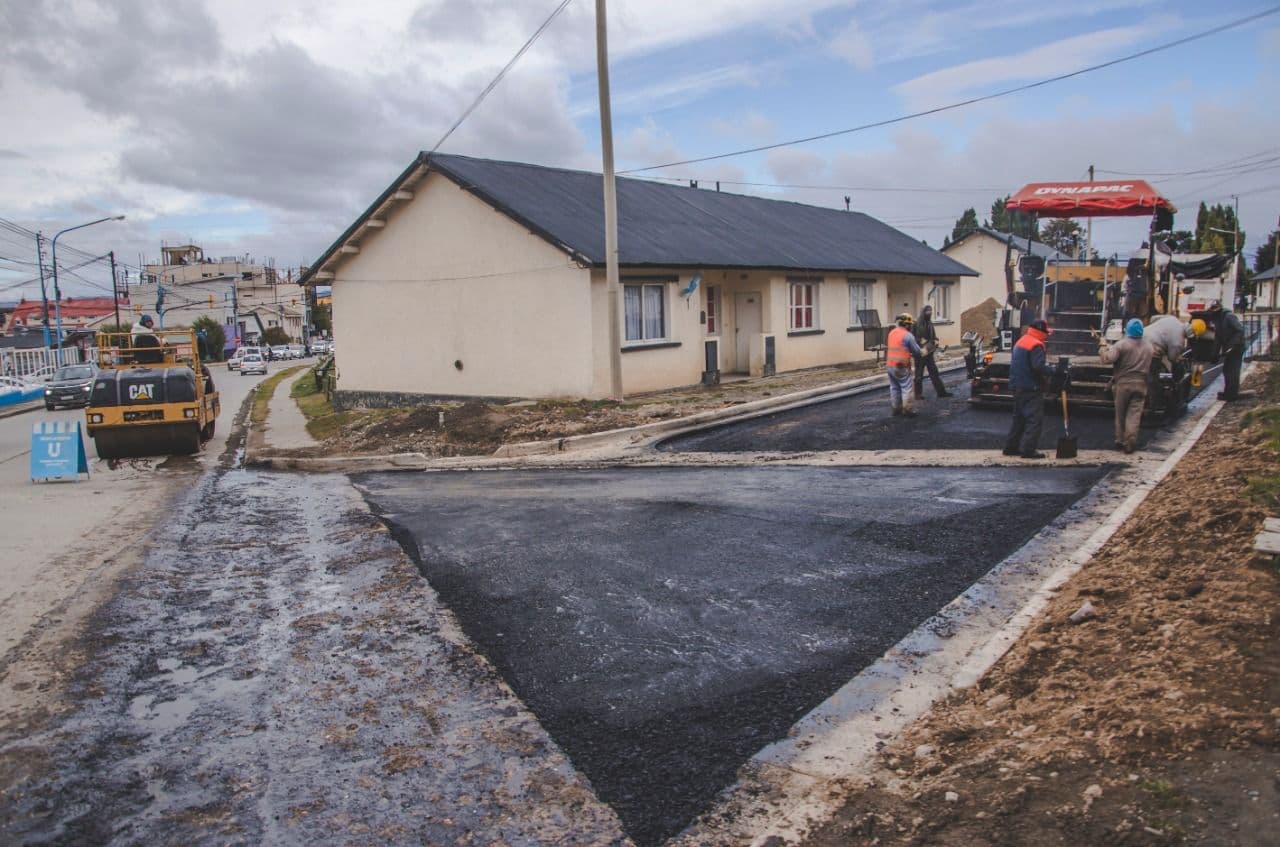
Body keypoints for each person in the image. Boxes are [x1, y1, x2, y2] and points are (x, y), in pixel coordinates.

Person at [1098, 318, 1155, 453]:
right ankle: (1130, 441)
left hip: (1123, 384)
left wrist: (1103, 347)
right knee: (1134, 415)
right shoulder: (1149, 347)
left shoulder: (1122, 344)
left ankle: (1119, 440)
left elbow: (1107, 359)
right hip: (1141, 384)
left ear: (1127, 330)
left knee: (1121, 414)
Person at [1003, 318, 1053, 459]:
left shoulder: (1022, 340)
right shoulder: (1036, 345)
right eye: (1046, 333)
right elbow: (1038, 366)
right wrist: (1053, 371)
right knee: (1034, 420)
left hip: (1017, 385)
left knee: (1019, 419)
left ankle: (1011, 447)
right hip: (1031, 387)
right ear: (1041, 331)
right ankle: (1028, 450)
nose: (1047, 335)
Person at [885, 312, 922, 417]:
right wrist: (924, 350)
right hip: (901, 366)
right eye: (910, 325)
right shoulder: (908, 335)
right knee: (906, 388)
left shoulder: (891, 333)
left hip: (890, 365)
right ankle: (907, 410)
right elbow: (917, 351)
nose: (911, 327)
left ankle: (896, 409)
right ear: (906, 324)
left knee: (894, 387)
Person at [1208, 300, 1245, 401]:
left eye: (1216, 309)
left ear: (1220, 309)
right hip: (1229, 348)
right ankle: (1228, 391)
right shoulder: (1217, 320)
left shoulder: (1229, 316)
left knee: (1233, 370)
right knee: (1226, 370)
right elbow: (1218, 338)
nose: (1214, 312)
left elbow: (1239, 330)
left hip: (1237, 347)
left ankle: (1232, 394)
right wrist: (1214, 354)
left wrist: (1232, 345)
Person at [912, 304, 951, 400]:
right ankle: (918, 394)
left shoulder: (929, 323)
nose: (930, 313)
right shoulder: (916, 324)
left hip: (929, 352)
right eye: (927, 311)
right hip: (920, 353)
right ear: (923, 312)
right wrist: (920, 341)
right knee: (918, 375)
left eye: (930, 311)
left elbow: (932, 336)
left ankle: (941, 392)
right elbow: (912, 337)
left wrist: (936, 340)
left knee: (934, 373)